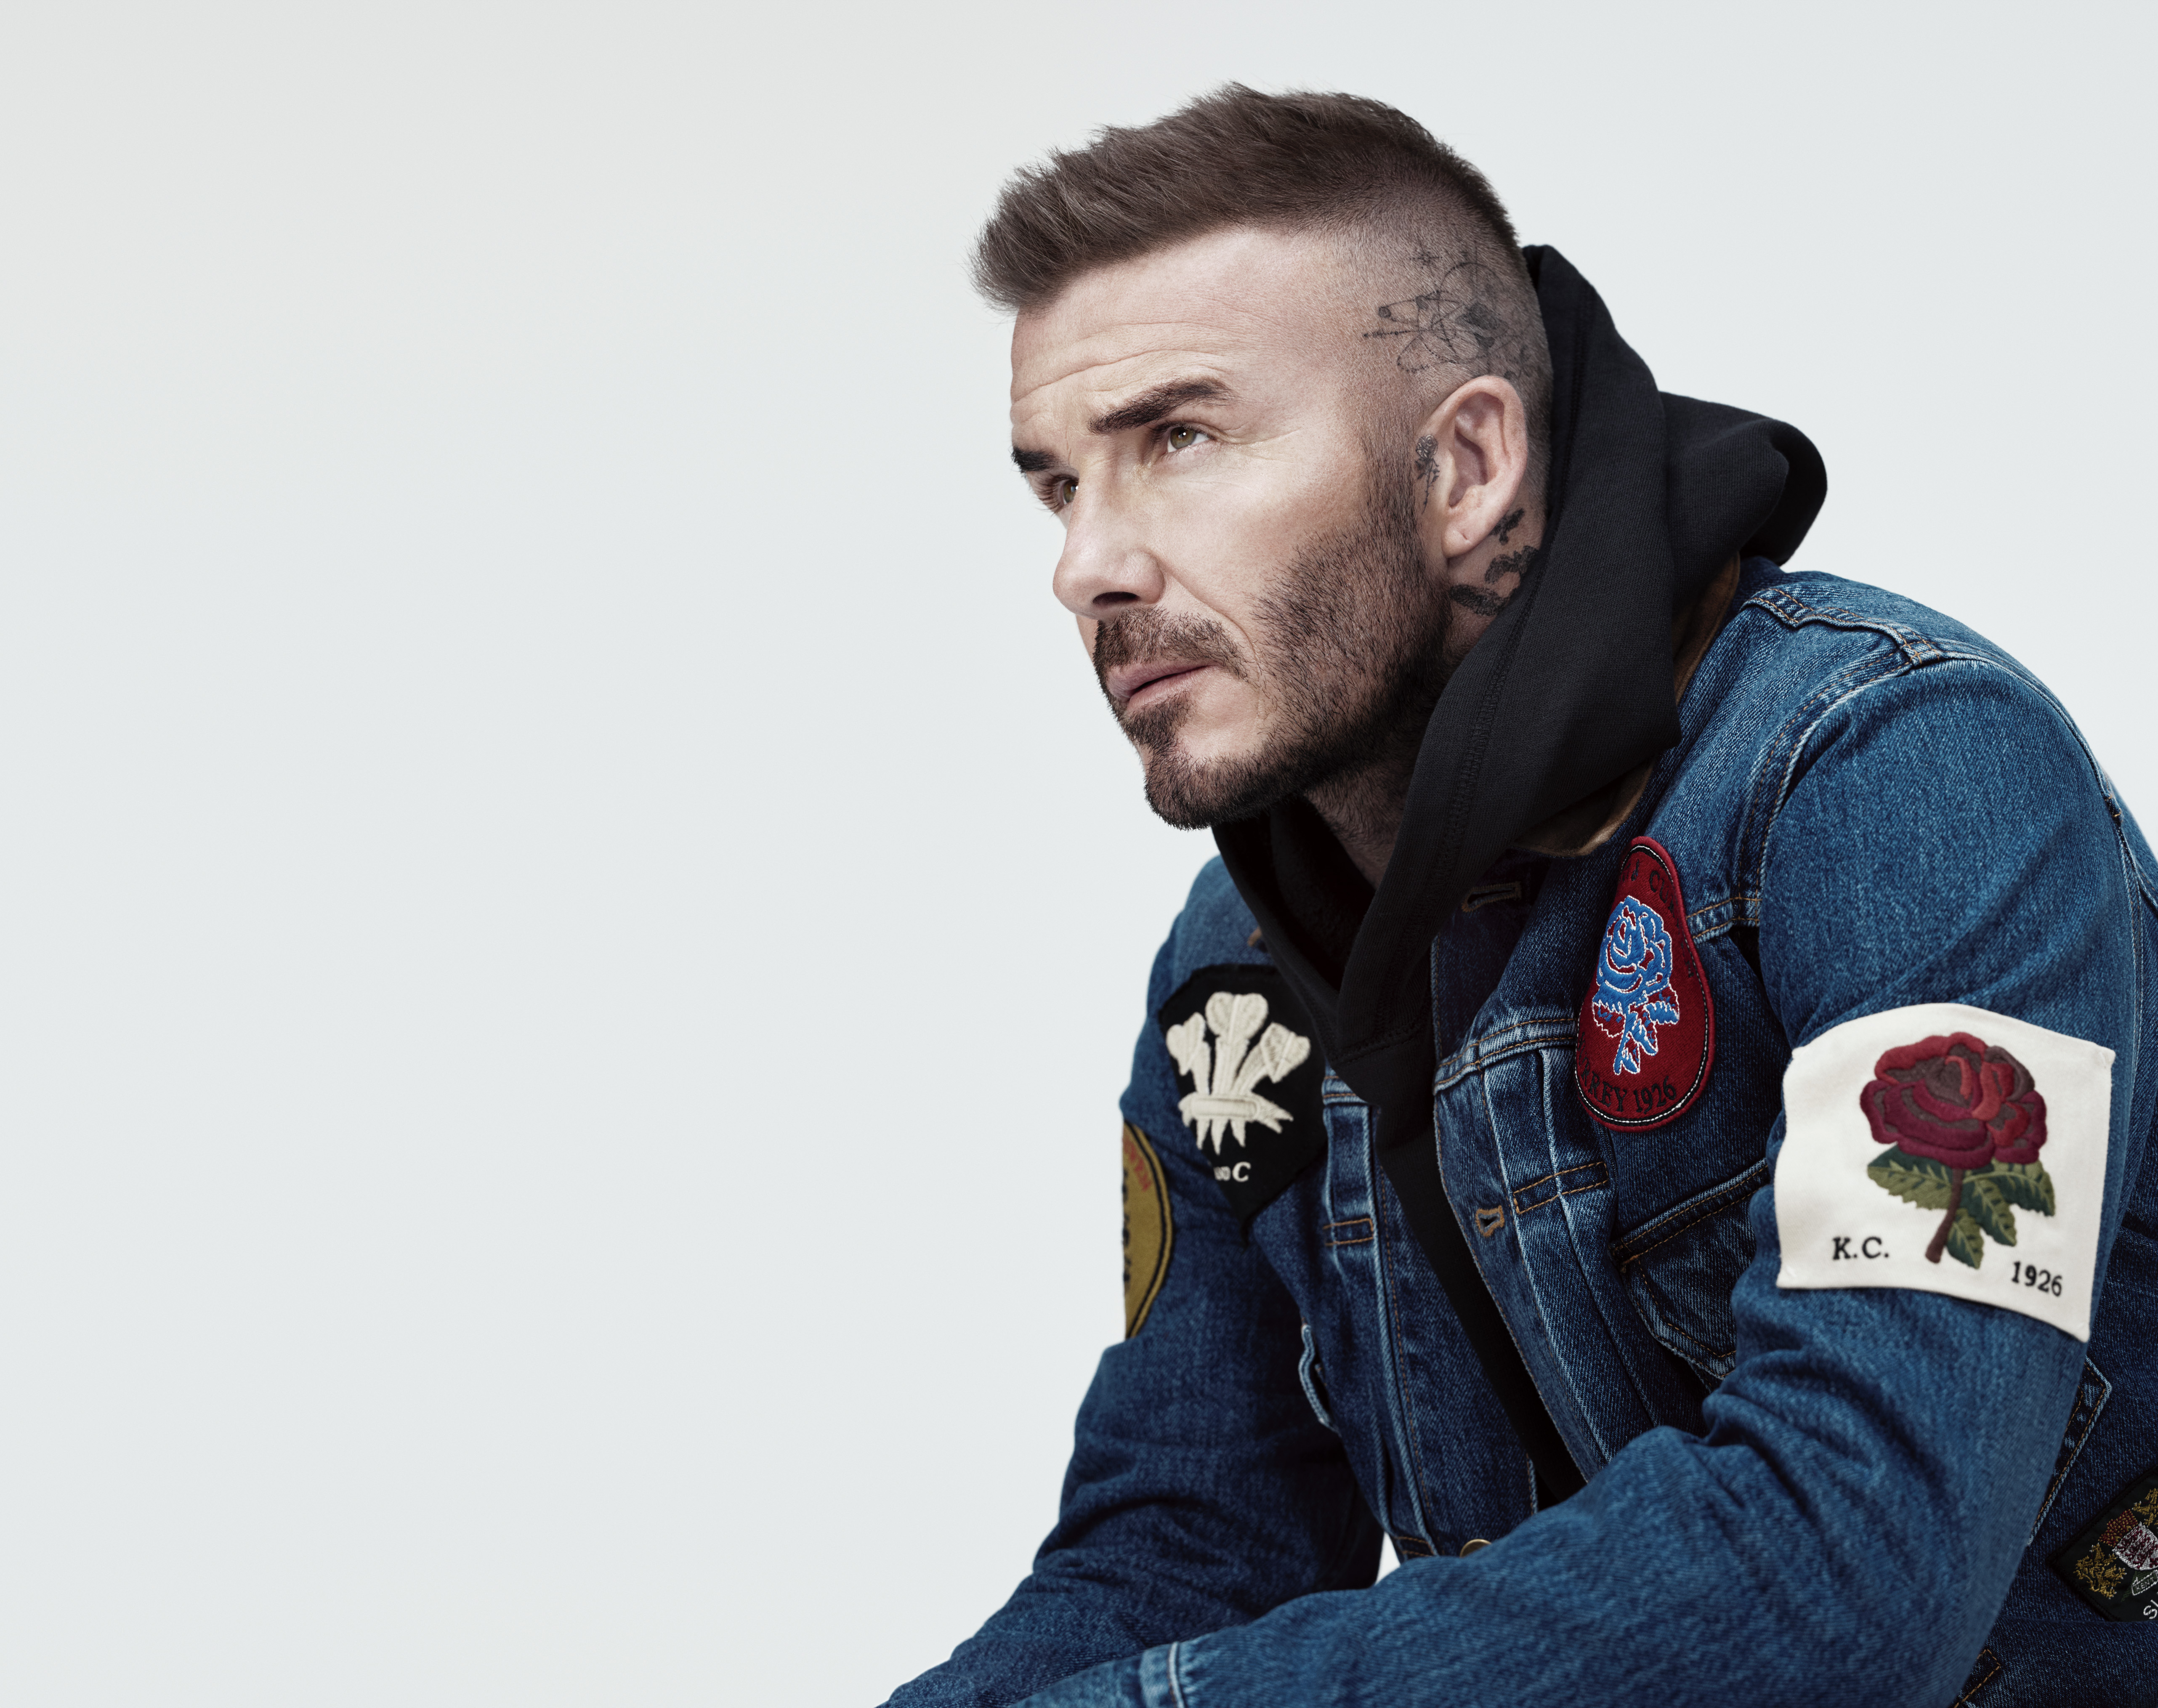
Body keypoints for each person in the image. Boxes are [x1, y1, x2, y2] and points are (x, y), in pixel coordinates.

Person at [883, 87, 2157, 1708]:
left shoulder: (1894, 774)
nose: (1087, 567)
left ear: (1469, 465)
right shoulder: (1238, 975)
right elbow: (1186, 1548)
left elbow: (1847, 1568)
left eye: (1179, 441)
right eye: (1061, 486)